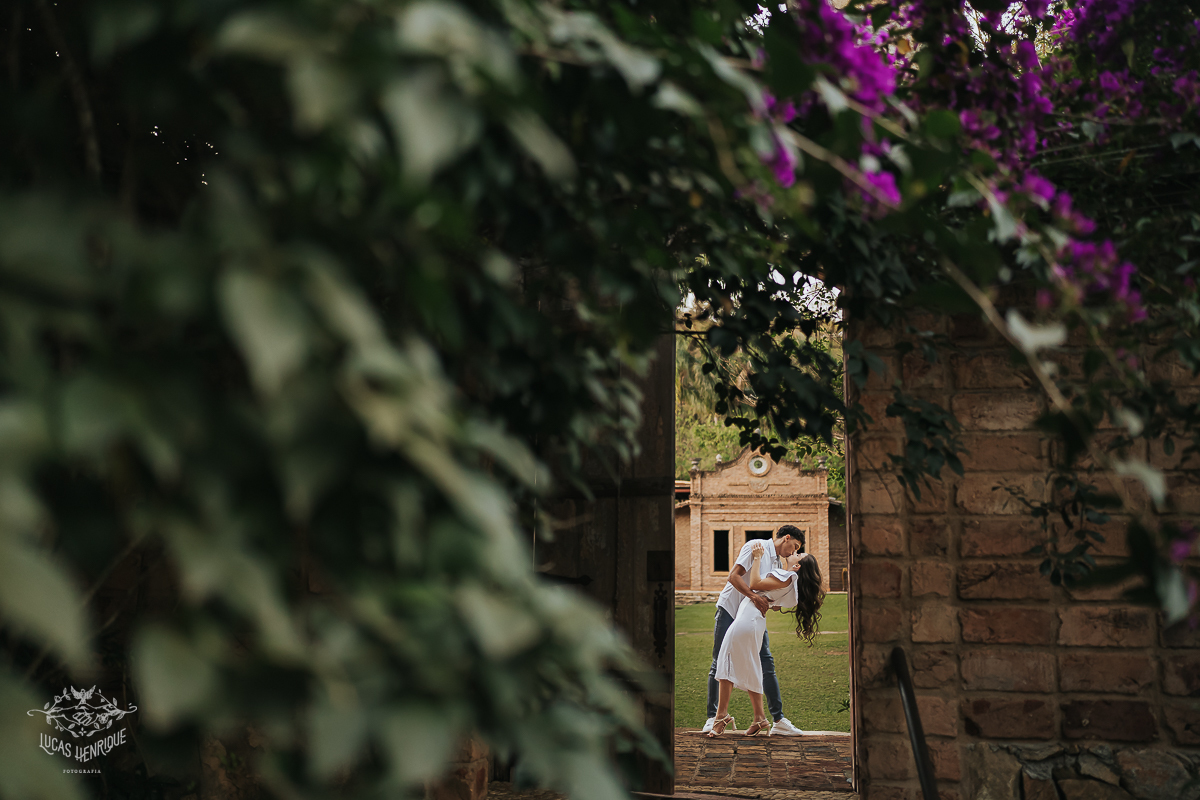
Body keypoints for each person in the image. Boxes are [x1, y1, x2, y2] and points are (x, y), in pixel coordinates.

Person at [707, 544, 826, 737]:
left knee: (726, 660)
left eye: (799, 554)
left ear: (798, 567)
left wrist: (757, 558)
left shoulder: (786, 576)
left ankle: (721, 717)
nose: (795, 553)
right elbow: (777, 606)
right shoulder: (792, 584)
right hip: (754, 621)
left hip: (747, 619)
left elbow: (754, 583)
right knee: (749, 665)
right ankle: (759, 718)